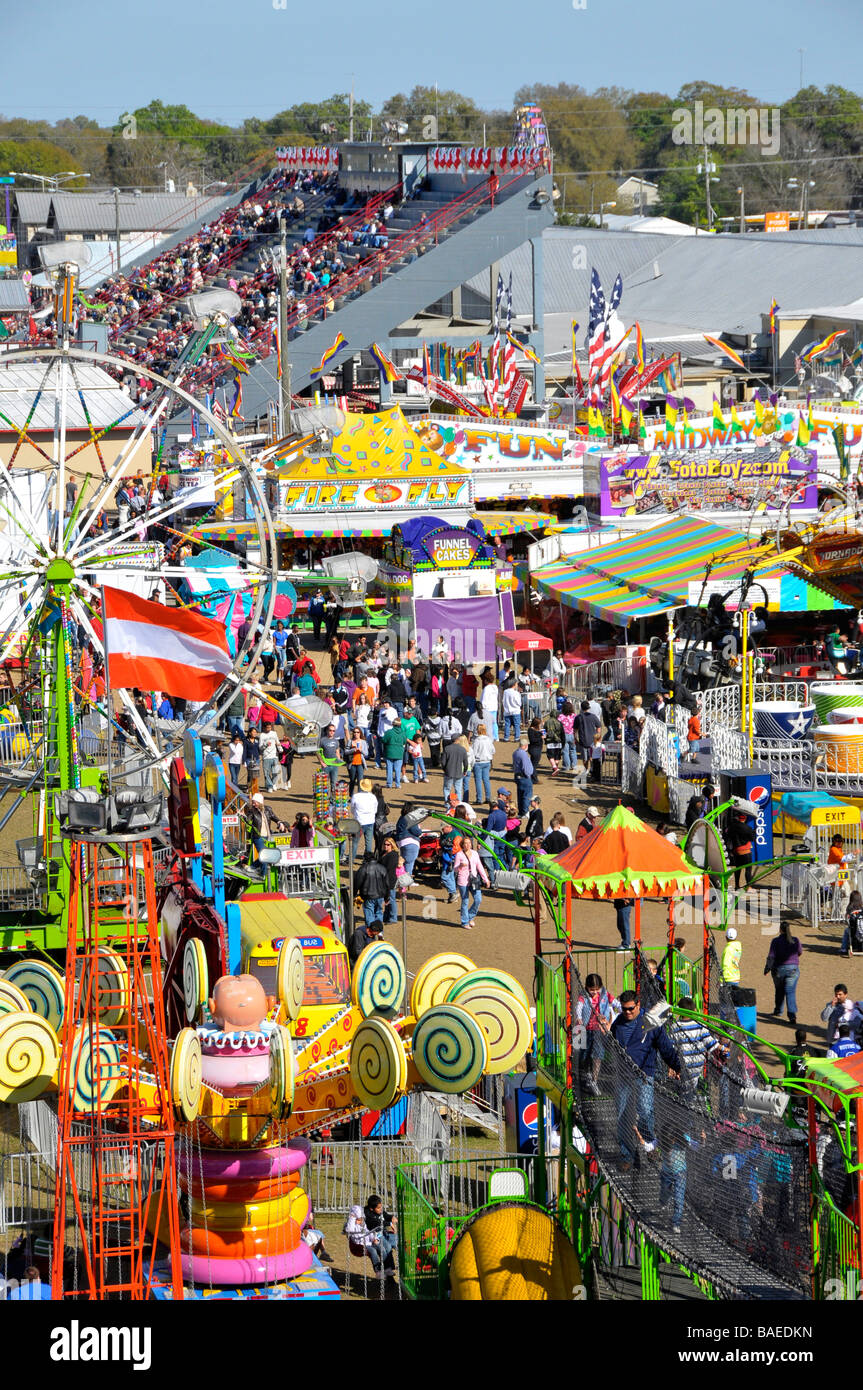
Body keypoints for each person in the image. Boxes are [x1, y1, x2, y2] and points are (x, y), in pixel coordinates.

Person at [611, 991, 680, 1169]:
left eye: (631, 1009)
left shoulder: (651, 1023)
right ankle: (627, 1155)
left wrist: (677, 1066)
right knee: (622, 1114)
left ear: (638, 1005)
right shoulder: (617, 1024)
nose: (627, 1013)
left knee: (646, 1111)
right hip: (623, 1075)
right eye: (624, 1009)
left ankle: (650, 1146)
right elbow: (611, 1045)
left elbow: (665, 1047)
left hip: (644, 1074)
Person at [573, 973, 620, 1093]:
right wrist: (579, 1018)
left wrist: (622, 1010)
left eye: (596, 989)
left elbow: (615, 1003)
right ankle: (586, 1072)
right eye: (591, 989)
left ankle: (594, 1079)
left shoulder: (604, 995)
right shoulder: (583, 996)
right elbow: (578, 1007)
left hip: (599, 1029)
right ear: (587, 988)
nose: (594, 992)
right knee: (583, 1054)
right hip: (585, 1029)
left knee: (598, 1055)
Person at [671, 999, 726, 1089]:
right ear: (695, 1010)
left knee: (685, 1089)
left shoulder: (675, 1027)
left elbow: (672, 1048)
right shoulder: (700, 1025)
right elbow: (710, 1043)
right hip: (697, 1066)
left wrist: (671, 1066)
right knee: (690, 1089)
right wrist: (723, 1048)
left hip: (683, 1066)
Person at [765, 920, 803, 1024]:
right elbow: (799, 952)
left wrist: (767, 968)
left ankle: (778, 1010)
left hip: (778, 969)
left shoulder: (775, 941)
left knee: (779, 990)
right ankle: (792, 1015)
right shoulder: (795, 940)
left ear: (780, 929)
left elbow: (771, 956)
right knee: (790, 991)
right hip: (793, 969)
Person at [453, 833, 490, 929]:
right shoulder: (459, 854)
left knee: (478, 899)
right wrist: (460, 866)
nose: (468, 845)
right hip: (463, 881)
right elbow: (455, 869)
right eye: (465, 843)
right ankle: (464, 922)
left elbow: (480, 867)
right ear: (462, 845)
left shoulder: (475, 853)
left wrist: (486, 879)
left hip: (474, 879)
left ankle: (470, 916)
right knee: (465, 901)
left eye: (469, 843)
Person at [364, 1195, 397, 1276]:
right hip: (375, 1235)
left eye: (381, 1207)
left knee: (397, 1241)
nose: (380, 1209)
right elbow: (377, 1223)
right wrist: (389, 1223)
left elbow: (385, 1215)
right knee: (387, 1247)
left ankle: (392, 1266)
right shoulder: (368, 1215)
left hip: (383, 1233)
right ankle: (388, 1268)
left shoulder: (379, 1211)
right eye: (378, 1208)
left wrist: (392, 1217)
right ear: (372, 1208)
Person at [821, 984, 863, 1048]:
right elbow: (824, 1018)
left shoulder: (852, 1006)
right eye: (836, 994)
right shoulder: (831, 1005)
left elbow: (857, 1023)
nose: (837, 996)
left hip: (847, 1041)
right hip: (833, 1040)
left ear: (846, 995)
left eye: (840, 994)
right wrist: (831, 1006)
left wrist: (841, 1025)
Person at [355, 851, 389, 927]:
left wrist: (354, 894)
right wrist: (387, 897)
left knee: (369, 915)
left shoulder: (363, 868)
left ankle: (371, 932)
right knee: (379, 913)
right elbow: (387, 884)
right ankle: (379, 932)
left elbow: (357, 882)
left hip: (368, 896)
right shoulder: (382, 868)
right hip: (380, 896)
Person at [350, 777, 378, 860]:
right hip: (370, 821)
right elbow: (375, 810)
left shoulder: (356, 796)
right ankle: (367, 860)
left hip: (359, 822)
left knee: (355, 842)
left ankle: (351, 859)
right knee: (368, 842)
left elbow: (352, 808)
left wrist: (356, 814)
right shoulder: (373, 797)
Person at [726, 811, 754, 889]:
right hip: (746, 851)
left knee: (738, 868)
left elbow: (728, 836)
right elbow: (752, 838)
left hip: (736, 851)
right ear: (745, 818)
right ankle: (749, 887)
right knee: (748, 869)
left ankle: (737, 885)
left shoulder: (732, 827)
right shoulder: (747, 828)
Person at [442, 734, 468, 806]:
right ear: (458, 739)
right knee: (458, 790)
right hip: (459, 773)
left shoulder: (447, 748)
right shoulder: (462, 749)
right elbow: (466, 762)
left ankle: (448, 804)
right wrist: (465, 771)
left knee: (447, 789)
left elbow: (443, 762)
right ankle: (458, 805)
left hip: (448, 772)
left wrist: (445, 770)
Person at [382, 716, 407, 789]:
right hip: (399, 753)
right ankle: (397, 784)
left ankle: (389, 784)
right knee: (397, 769)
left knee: (389, 769)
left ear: (393, 724)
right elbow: (404, 741)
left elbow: (383, 740)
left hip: (389, 752)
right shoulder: (403, 733)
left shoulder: (389, 732)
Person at [575, 701, 600, 772]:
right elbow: (598, 727)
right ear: (588, 708)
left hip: (583, 740)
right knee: (592, 756)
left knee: (585, 758)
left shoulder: (578, 717)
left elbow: (575, 730)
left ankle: (586, 770)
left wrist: (575, 738)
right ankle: (592, 769)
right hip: (592, 740)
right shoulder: (593, 716)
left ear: (581, 708)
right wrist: (598, 736)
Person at [512, 737, 534, 816]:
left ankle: (521, 811)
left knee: (520, 795)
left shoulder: (515, 752)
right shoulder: (523, 754)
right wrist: (528, 775)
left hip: (518, 776)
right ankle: (525, 812)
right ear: (525, 745)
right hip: (524, 777)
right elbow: (526, 767)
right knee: (526, 795)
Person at [841, 889, 863, 957]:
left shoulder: (850, 908)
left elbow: (847, 919)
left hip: (854, 930)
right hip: (862, 929)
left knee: (846, 931)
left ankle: (844, 948)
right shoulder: (861, 908)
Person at [480, 675, 499, 740]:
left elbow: (484, 699)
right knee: (494, 722)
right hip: (494, 707)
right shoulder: (495, 687)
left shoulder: (487, 688)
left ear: (486, 680)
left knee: (487, 723)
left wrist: (482, 707)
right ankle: (496, 736)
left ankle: (489, 736)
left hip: (487, 708)